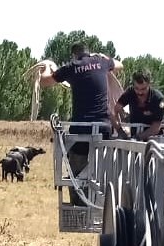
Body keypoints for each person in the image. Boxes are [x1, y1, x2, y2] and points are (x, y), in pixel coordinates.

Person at [38, 43, 123, 204]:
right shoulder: (101, 62)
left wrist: (46, 67)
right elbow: (119, 64)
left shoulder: (72, 67)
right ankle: (105, 203)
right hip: (104, 128)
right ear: (89, 52)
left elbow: (44, 82)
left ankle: (78, 204)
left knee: (75, 170)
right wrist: (104, 57)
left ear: (74, 55)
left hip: (82, 129)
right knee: (104, 170)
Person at [115, 71, 164, 141]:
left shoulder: (158, 99)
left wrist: (138, 137)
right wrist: (121, 127)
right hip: (134, 139)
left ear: (149, 84)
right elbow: (116, 108)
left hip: (153, 141)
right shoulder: (130, 92)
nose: (140, 92)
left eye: (143, 89)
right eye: (136, 88)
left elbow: (156, 127)